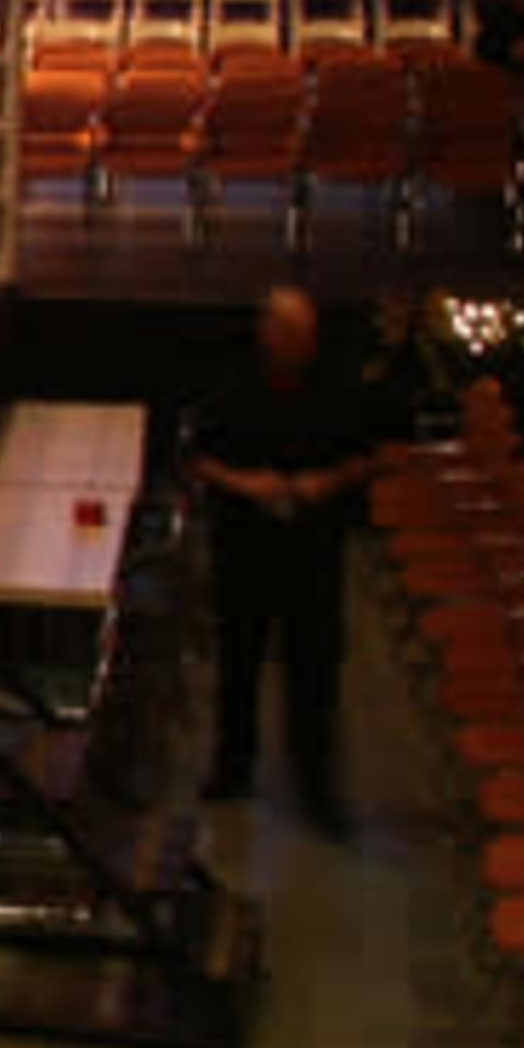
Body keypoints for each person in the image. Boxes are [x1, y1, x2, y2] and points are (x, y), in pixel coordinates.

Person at [187, 286, 374, 837]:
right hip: (245, 545)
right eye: (289, 332)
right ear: (268, 333)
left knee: (314, 673)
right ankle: (232, 770)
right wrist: (250, 484)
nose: (299, 343)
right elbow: (201, 457)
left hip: (314, 550)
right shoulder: (232, 386)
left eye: (306, 334)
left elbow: (366, 457)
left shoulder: (337, 387)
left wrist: (325, 482)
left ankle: (319, 791)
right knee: (238, 664)